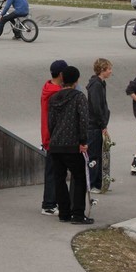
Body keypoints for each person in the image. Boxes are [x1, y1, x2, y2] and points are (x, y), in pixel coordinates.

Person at [47, 65, 93, 225]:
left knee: (59, 179)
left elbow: (50, 122)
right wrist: (83, 141)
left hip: (56, 144)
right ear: (76, 80)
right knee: (79, 177)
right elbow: (83, 120)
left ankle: (64, 213)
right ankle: (78, 214)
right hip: (72, 144)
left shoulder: (54, 98)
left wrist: (54, 138)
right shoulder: (78, 97)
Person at [39, 59, 67, 216]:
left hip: (48, 135)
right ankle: (49, 204)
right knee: (53, 171)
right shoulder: (56, 93)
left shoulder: (47, 87)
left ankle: (51, 201)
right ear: (62, 74)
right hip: (54, 137)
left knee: (54, 170)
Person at [85, 58, 112, 193]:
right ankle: (92, 184)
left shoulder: (101, 83)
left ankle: (98, 182)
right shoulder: (96, 85)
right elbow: (96, 106)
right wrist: (103, 124)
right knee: (94, 155)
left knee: (99, 155)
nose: (110, 71)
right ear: (102, 70)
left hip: (98, 124)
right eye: (108, 69)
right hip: (94, 126)